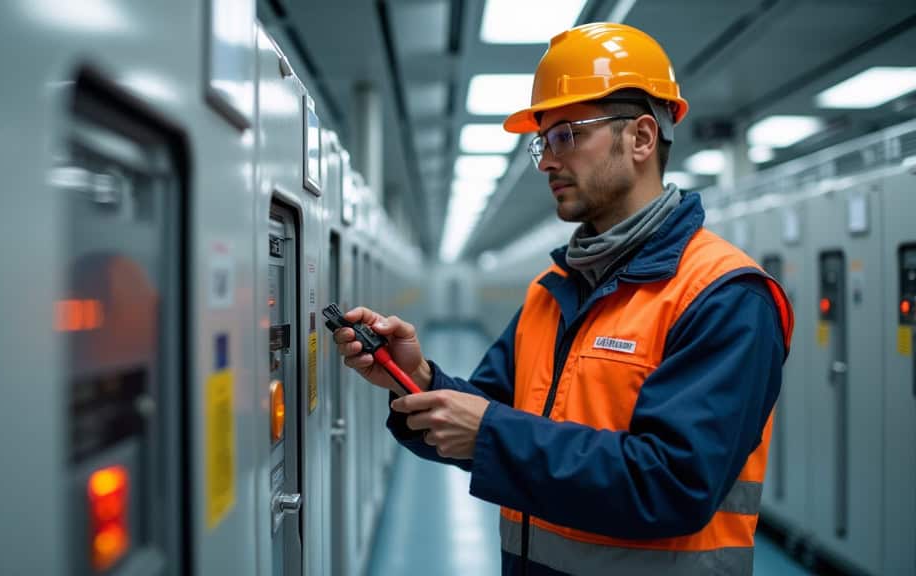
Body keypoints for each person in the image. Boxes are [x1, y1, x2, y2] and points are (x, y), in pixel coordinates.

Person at [333, 22, 793, 576]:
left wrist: (491, 433)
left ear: (643, 138)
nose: (547, 160)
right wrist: (419, 379)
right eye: (542, 141)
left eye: (567, 135)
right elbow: (482, 417)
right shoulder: (552, 292)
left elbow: (673, 486)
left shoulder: (723, 295)